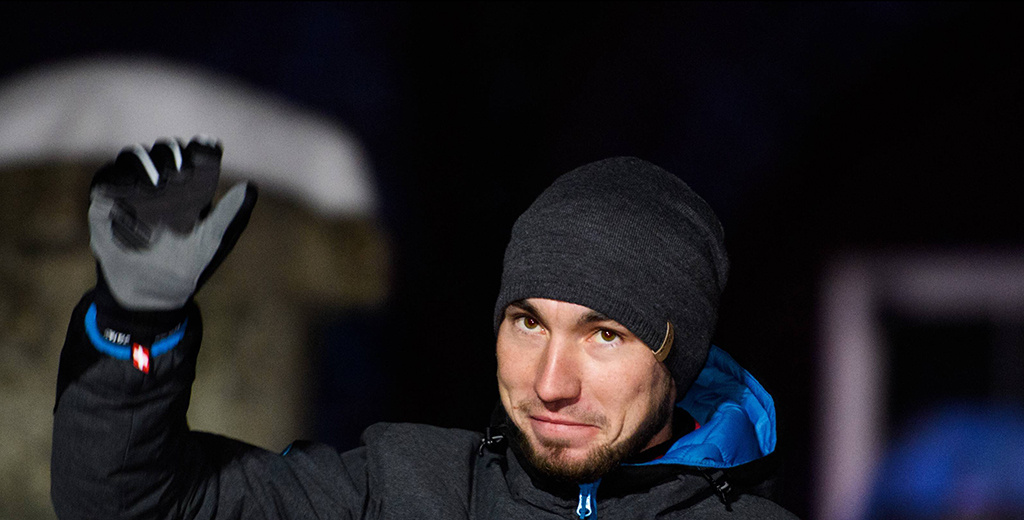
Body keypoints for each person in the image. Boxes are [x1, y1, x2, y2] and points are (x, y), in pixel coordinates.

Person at [51, 138, 798, 519]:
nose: (550, 384)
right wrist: (135, 324)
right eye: (527, 323)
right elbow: (136, 504)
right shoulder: (404, 492)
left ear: (680, 356)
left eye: (605, 335)